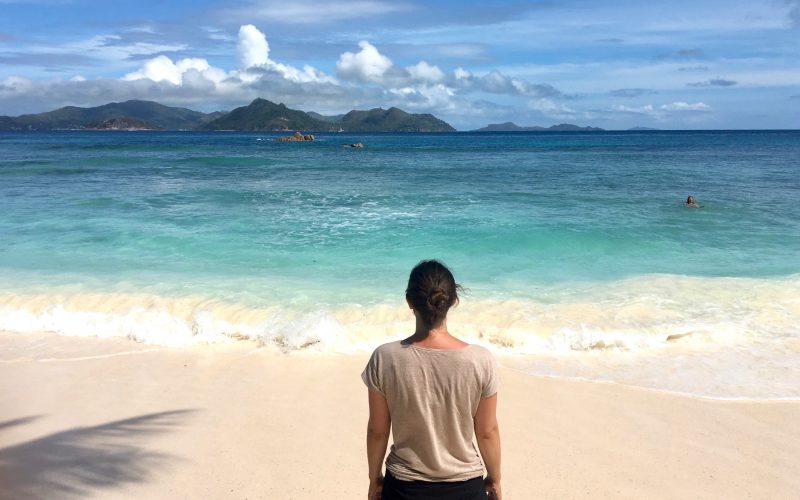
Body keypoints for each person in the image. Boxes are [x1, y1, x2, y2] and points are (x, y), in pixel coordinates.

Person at [362, 260, 502, 500]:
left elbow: (378, 430)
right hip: (465, 488)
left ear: (409, 302)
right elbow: (487, 432)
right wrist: (495, 479)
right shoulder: (480, 360)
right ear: (453, 301)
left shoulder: (385, 358)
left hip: (404, 488)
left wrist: (374, 478)